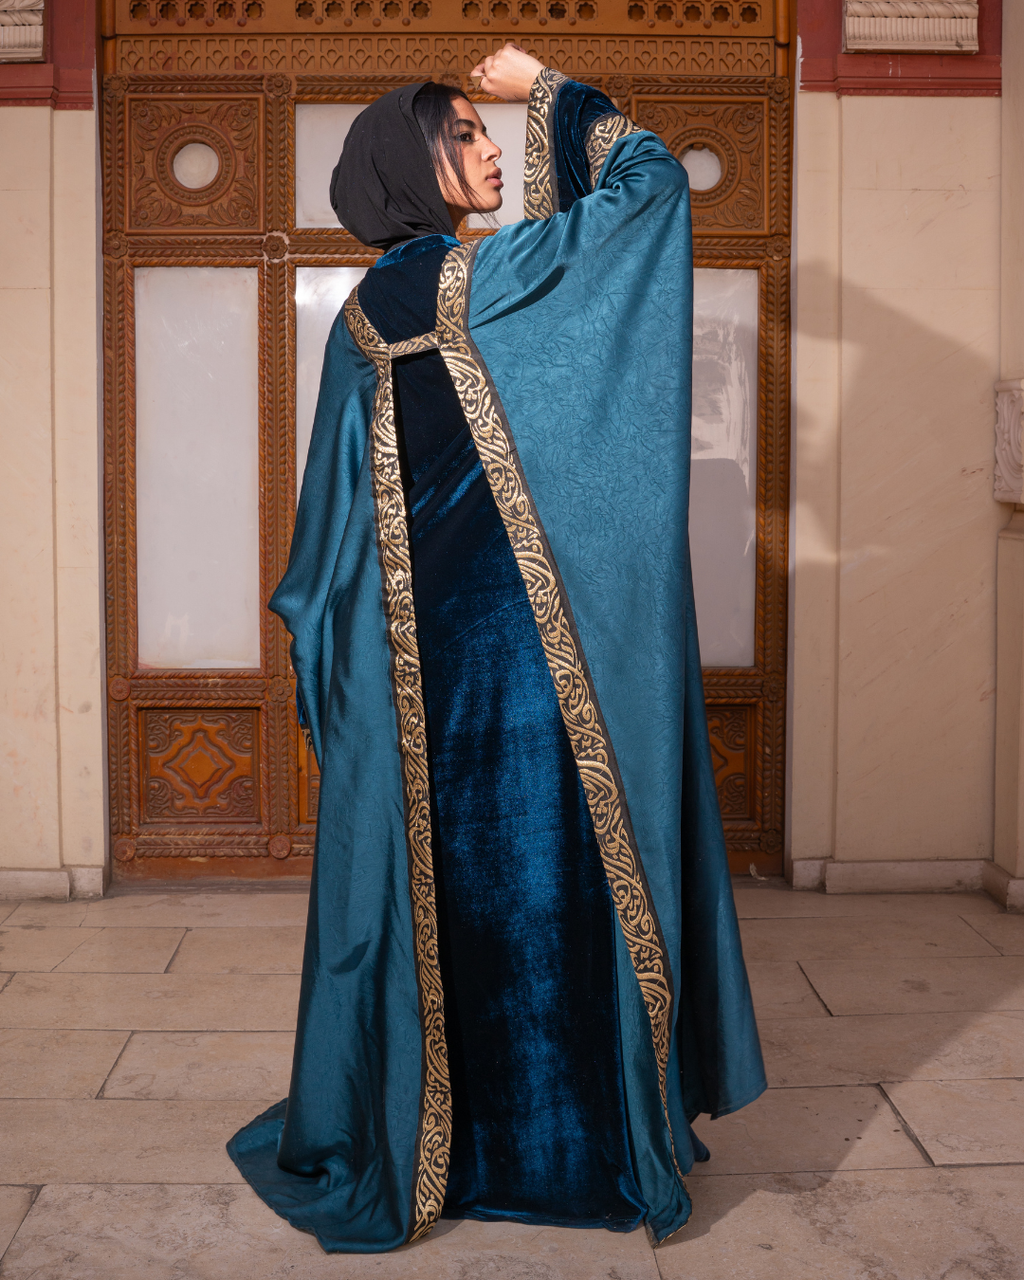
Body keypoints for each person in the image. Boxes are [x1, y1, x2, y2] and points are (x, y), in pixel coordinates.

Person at [228, 44, 766, 1254]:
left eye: (488, 125)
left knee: (469, 914)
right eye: (462, 132)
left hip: (427, 687)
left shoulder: (374, 314)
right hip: (523, 675)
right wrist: (551, 90)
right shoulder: (459, 287)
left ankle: (448, 1142)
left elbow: (340, 546)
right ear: (408, 165)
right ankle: (563, 1146)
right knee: (552, 902)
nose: (485, 149)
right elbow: (651, 192)